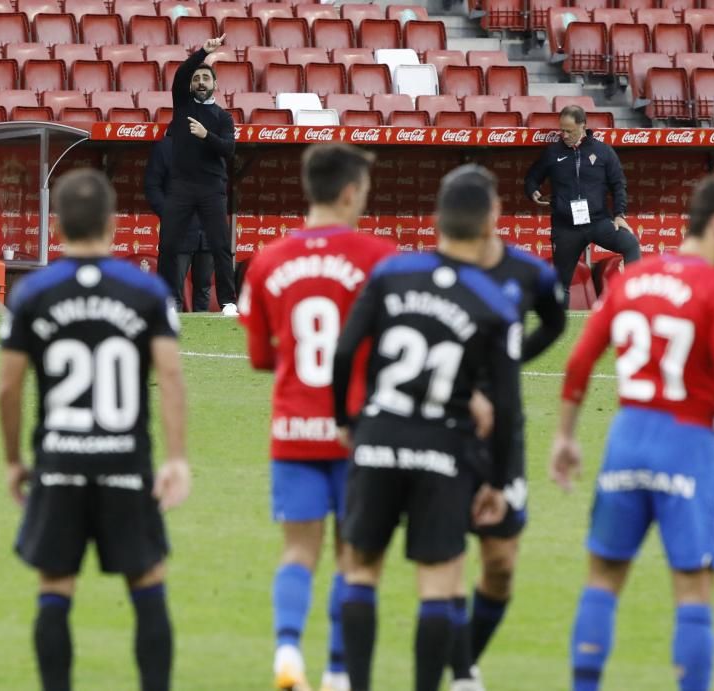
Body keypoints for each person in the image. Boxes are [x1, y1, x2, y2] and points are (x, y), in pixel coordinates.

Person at [550, 176, 714, 691]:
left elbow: (579, 361)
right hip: (687, 446)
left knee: (603, 579)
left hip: (626, 441)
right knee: (693, 588)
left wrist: (565, 436)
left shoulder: (631, 281)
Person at [0, 168, 190, 691]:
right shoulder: (145, 289)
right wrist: (176, 457)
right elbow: (170, 375)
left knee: (55, 585)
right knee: (147, 580)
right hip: (126, 462)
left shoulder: (33, 291)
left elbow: (7, 389)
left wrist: (14, 460)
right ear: (110, 222)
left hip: (58, 461)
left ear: (57, 225)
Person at [332, 165, 522, 691]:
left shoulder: (392, 275)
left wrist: (348, 421)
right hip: (444, 448)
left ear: (436, 218)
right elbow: (504, 405)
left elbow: (345, 350)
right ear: (492, 221)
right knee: (437, 583)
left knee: (362, 569)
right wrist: (498, 481)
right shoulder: (495, 304)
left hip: (378, 439)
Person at [238, 143, 397, 691]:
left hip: (293, 429)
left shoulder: (268, 260)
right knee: (352, 558)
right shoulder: (381, 257)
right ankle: (335, 670)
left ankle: (287, 653)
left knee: (298, 551)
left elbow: (260, 357)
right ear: (351, 192)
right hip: (359, 432)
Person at [450, 212, 568, 691]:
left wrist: (510, 365)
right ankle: (459, 675)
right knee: (447, 560)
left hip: (505, 437)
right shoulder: (436, 274)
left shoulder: (527, 271)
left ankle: (466, 660)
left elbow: (556, 322)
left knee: (500, 564)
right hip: (449, 430)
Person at [524, 105, 640, 305]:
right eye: (562, 130)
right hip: (566, 227)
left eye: (569, 130)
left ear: (583, 126)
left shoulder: (603, 152)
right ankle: (561, 330)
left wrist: (620, 214)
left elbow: (619, 185)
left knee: (630, 244)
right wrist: (533, 191)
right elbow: (532, 178)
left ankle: (631, 302)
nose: (564, 135)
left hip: (599, 221)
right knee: (560, 287)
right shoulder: (553, 153)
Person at [160, 34, 238, 316]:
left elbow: (229, 149)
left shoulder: (223, 118)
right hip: (180, 187)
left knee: (220, 246)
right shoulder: (182, 106)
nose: (200, 82)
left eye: (206, 78)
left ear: (215, 85)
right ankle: (168, 301)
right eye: (197, 79)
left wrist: (207, 136)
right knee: (168, 244)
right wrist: (203, 52)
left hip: (211, 188)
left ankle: (228, 301)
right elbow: (181, 73)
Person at [145, 132, 214, 312]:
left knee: (204, 287)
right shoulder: (166, 147)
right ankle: (169, 334)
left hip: (207, 233)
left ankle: (203, 335)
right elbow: (152, 186)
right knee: (171, 290)